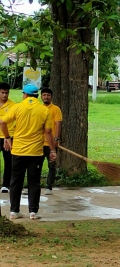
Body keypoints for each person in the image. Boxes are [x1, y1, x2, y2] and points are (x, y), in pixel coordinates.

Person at [0, 84, 56, 220]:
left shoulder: (17, 107)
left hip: (18, 150)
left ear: (24, 94)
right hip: (35, 152)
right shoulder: (44, 110)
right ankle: (33, 212)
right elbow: (48, 131)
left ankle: (14, 211)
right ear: (37, 95)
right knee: (34, 181)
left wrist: (7, 138)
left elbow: (2, 122)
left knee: (16, 181)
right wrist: (52, 149)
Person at [41, 87, 62, 195]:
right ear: (41, 96)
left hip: (51, 144)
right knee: (36, 166)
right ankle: (34, 185)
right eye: (44, 95)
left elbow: (58, 124)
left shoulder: (56, 109)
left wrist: (56, 139)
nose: (46, 97)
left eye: (48, 95)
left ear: (51, 97)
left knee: (51, 166)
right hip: (39, 143)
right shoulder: (38, 108)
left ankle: (49, 187)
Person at [0, 82, 14, 194]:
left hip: (7, 137)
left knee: (8, 161)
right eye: (2, 93)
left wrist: (8, 137)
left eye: (6, 93)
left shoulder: (13, 105)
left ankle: (6, 185)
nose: (5, 95)